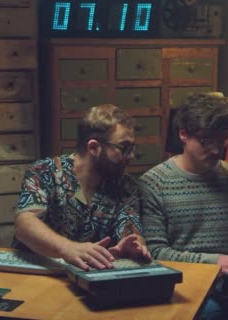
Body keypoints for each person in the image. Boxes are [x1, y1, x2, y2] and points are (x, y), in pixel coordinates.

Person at [139, 93, 228, 319]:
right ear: (183, 134)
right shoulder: (154, 183)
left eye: (223, 140)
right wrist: (214, 262)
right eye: (207, 141)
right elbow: (156, 253)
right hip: (183, 284)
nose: (217, 150)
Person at [13, 104, 151, 271]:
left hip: (89, 278)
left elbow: (130, 227)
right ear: (93, 147)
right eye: (124, 148)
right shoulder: (44, 172)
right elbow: (25, 224)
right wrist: (67, 248)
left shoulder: (124, 185)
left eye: (132, 147)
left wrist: (133, 246)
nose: (131, 156)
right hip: (37, 272)